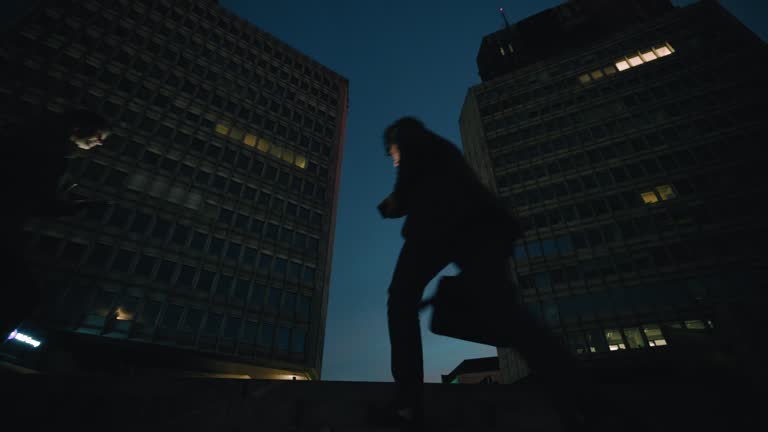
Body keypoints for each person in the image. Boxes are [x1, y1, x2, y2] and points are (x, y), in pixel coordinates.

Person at [375, 117, 585, 431]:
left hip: (440, 226)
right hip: (482, 230)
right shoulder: (444, 151)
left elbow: (405, 192)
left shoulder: (409, 137)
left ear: (394, 141)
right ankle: (575, 397)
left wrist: (391, 205)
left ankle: (408, 402)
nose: (394, 161)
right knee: (510, 316)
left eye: (392, 155)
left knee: (400, 299)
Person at [0, 109, 111, 342]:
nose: (99, 143)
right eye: (99, 135)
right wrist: (70, 206)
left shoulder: (35, 142)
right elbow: (32, 199)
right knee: (22, 295)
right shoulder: (47, 152)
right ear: (78, 128)